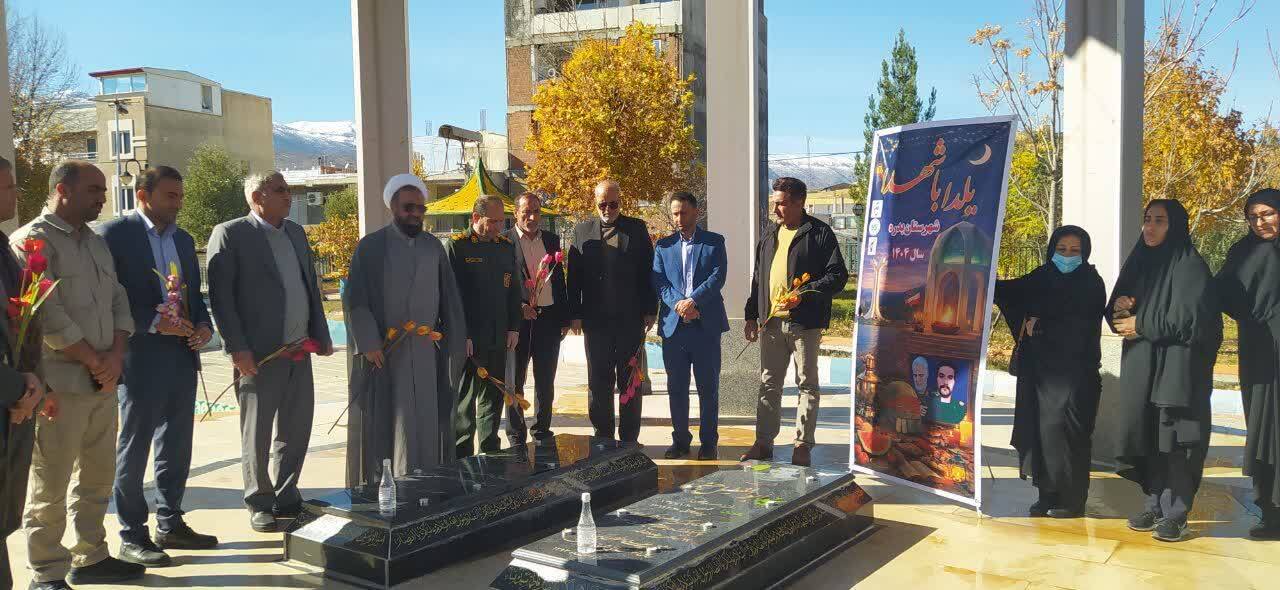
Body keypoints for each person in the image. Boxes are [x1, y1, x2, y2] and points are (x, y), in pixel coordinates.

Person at [14, 161, 142, 588]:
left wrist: (116, 356)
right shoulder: (33, 241)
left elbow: (118, 299)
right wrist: (93, 359)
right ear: (62, 190)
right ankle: (46, 571)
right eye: (94, 190)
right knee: (50, 481)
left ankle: (91, 555)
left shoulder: (96, 242)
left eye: (103, 190)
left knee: (98, 476)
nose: (102, 198)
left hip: (103, 381)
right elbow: (45, 314)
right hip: (60, 384)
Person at [101, 166, 218, 567]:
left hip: (181, 355)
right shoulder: (115, 235)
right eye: (170, 196)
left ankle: (171, 522)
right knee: (134, 447)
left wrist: (203, 325)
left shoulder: (183, 240)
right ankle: (132, 534)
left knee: (177, 444)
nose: (178, 203)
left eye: (180, 195)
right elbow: (109, 297)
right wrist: (152, 322)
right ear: (143, 196)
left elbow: (194, 294)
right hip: (139, 355)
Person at [206, 171, 333, 534]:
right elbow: (221, 298)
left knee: (296, 428)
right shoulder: (230, 234)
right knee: (257, 433)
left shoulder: (295, 232)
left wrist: (321, 334)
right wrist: (237, 348)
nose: (288, 195)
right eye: (280, 190)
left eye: (288, 189)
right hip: (259, 356)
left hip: (299, 350)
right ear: (256, 196)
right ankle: (259, 501)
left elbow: (310, 286)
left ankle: (287, 493)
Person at [1108, 199, 1221, 543]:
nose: (1150, 227)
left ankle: (1177, 513)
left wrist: (1140, 323)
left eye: (1160, 220)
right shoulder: (1139, 262)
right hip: (1143, 366)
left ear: (1176, 226)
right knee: (1148, 436)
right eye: (1147, 219)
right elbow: (1118, 315)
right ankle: (1154, 504)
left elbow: (1189, 320)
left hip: (1177, 369)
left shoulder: (1190, 266)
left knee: (1176, 440)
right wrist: (1119, 307)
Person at [343, 174, 467, 485]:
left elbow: (450, 300)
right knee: (392, 421)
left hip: (427, 352)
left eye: (420, 208)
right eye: (408, 207)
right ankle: (391, 483)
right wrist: (369, 343)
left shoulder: (433, 247)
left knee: (427, 417)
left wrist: (456, 342)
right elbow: (356, 300)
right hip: (387, 352)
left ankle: (428, 481)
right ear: (393, 208)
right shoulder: (371, 247)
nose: (415, 214)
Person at [994, 225, 1106, 519]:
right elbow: (1009, 292)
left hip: (1075, 375)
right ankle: (1046, 494)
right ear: (1052, 249)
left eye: (1074, 251)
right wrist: (980, 277)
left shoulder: (1091, 283)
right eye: (1061, 249)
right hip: (1040, 374)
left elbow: (1082, 325)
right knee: (1042, 433)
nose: (1067, 256)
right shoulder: (1042, 276)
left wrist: (1042, 327)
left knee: (1068, 437)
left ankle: (1072, 500)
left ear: (1085, 253)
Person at [741, 177, 849, 467]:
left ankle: (802, 444)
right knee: (768, 383)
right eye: (774, 203)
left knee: (807, 384)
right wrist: (751, 314)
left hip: (805, 324)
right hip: (771, 324)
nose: (776, 209)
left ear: (800, 202)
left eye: (782, 203)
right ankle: (763, 443)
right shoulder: (769, 234)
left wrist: (804, 294)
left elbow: (837, 276)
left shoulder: (819, 233)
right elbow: (758, 278)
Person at [567, 180, 657, 442]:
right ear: (595, 203)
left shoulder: (636, 228)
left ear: (621, 202)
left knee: (630, 380)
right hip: (596, 322)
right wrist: (575, 314)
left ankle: (629, 438)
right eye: (602, 204)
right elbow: (574, 277)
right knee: (598, 380)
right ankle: (603, 436)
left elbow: (648, 271)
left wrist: (650, 309)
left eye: (613, 204)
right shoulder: (582, 231)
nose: (608, 209)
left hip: (630, 319)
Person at [0, 156, 53, 590]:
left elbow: (25, 320)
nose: (15, 194)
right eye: (6, 187)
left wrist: (31, 386)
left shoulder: (3, 248)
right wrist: (16, 387)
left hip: (14, 405)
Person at [1215, 188, 1280, 539]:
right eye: (1253, 217)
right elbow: (1220, 292)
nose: (1260, 222)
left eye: (1267, 213)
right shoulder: (1242, 251)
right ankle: (1270, 511)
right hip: (1257, 350)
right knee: (1263, 426)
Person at [652, 192, 728, 460]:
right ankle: (681, 441)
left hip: (705, 326)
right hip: (674, 328)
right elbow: (660, 282)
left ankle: (709, 443)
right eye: (675, 213)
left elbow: (718, 276)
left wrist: (693, 301)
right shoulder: (663, 246)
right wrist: (680, 305)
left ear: (696, 212)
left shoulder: (714, 242)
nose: (679, 218)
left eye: (683, 213)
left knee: (708, 389)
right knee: (677, 388)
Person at [444, 195, 521, 457]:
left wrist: (514, 327)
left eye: (502, 221)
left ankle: (490, 453)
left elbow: (513, 291)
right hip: (470, 339)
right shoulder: (458, 247)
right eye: (494, 221)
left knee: (493, 398)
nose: (499, 227)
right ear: (476, 218)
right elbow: (452, 297)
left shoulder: (505, 247)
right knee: (465, 402)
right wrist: (462, 334)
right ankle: (462, 457)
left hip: (498, 335)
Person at [503, 192, 569, 447]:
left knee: (545, 380)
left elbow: (559, 280)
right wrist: (519, 307)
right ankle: (516, 436)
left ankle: (541, 431)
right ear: (515, 214)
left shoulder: (551, 240)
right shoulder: (504, 241)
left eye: (536, 212)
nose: (532, 217)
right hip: (518, 322)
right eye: (526, 212)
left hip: (548, 320)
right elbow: (500, 285)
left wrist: (564, 317)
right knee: (515, 380)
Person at [925, 362, 966, 426]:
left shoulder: (960, 408)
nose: (945, 382)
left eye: (950, 377)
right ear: (937, 379)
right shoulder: (927, 404)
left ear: (954, 382)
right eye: (941, 376)